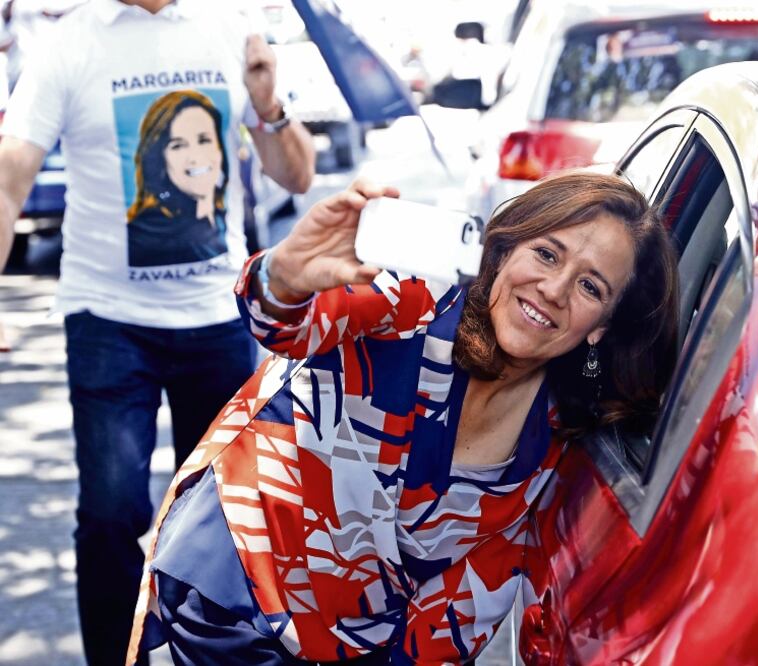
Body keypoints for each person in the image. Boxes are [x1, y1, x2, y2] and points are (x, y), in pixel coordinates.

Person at [127, 172, 679, 664]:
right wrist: (285, 276)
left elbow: (464, 603)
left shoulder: (556, 443)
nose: (553, 290)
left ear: (602, 326)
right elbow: (288, 321)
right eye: (547, 255)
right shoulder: (417, 297)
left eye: (590, 287)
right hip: (240, 586)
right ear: (505, 249)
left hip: (351, 643)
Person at [0, 0, 316, 663]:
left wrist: (269, 103)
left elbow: (296, 174)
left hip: (219, 319)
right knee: (111, 516)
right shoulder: (71, 43)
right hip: (109, 323)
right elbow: (9, 182)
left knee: (227, 520)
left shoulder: (228, 28)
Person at [127, 90, 229, 267]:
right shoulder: (147, 234)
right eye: (178, 146)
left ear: (219, 147)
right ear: (160, 159)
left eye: (204, 140)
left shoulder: (219, 217)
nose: (195, 157)